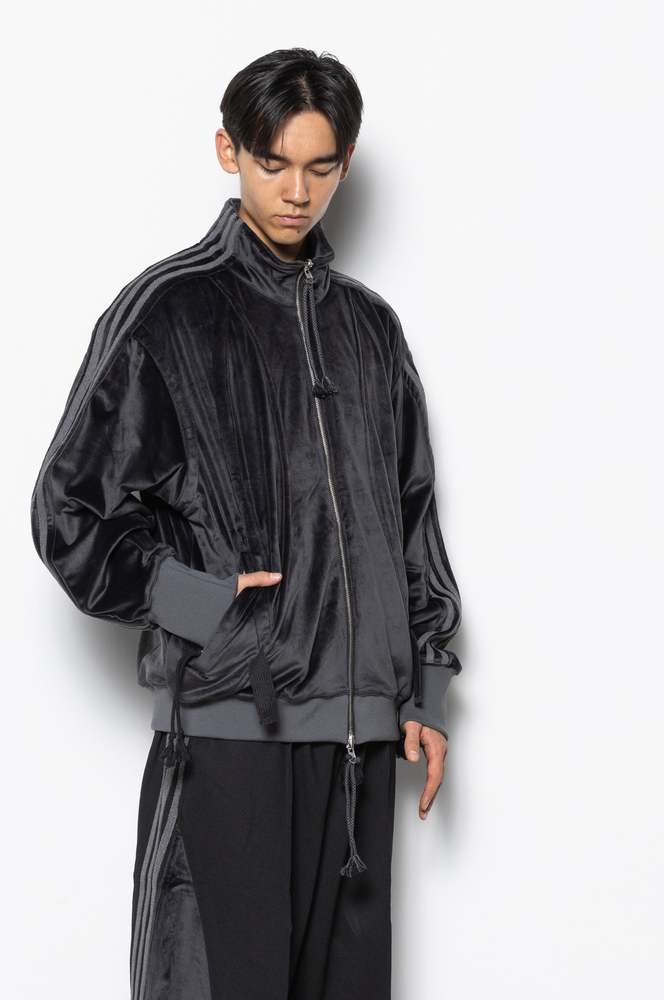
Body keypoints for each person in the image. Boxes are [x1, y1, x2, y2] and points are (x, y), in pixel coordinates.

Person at [30, 47, 463, 1000]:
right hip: (231, 732)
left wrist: (424, 689)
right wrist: (204, 604)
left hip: (362, 743)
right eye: (274, 164)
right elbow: (69, 511)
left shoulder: (370, 328)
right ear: (229, 152)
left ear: (346, 162)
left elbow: (412, 513)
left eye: (320, 167)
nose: (297, 193)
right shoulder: (169, 311)